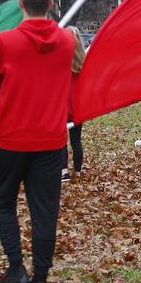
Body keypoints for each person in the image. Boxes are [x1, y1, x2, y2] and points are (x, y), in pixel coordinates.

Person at [0, 0, 75, 283]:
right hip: (50, 141)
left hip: (10, 138)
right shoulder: (66, 41)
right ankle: (40, 281)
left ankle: (16, 267)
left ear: (20, 3)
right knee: (45, 211)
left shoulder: (5, 43)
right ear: (51, 4)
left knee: (3, 203)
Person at [61, 26, 86, 182]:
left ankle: (63, 171)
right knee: (76, 140)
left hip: (62, 106)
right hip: (77, 107)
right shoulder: (83, 60)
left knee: (62, 140)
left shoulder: (60, 59)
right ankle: (78, 170)